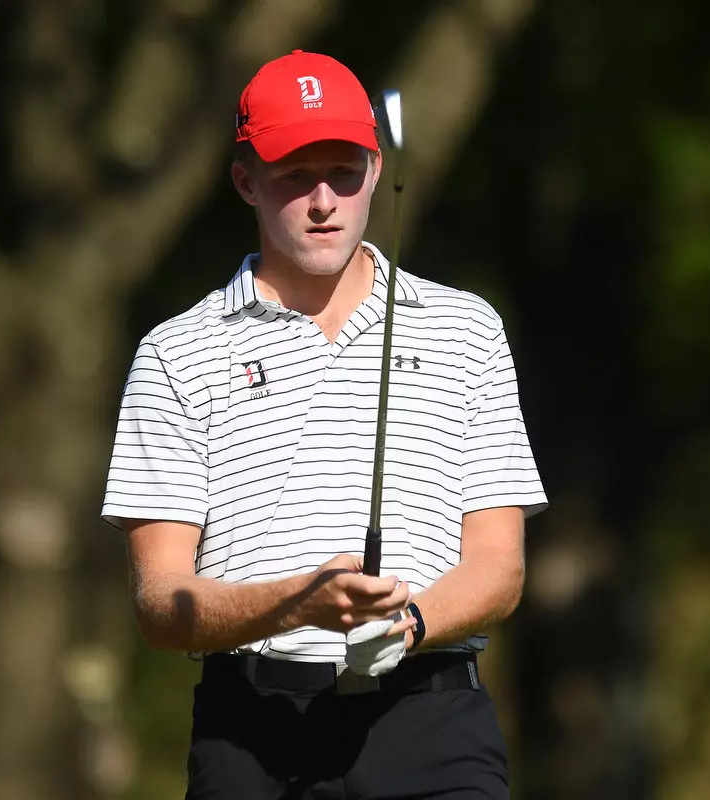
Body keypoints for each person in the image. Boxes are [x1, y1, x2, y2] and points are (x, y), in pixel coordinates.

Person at [101, 49, 548, 799]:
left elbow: (499, 569)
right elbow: (161, 604)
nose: (322, 201)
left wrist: (407, 621)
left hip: (430, 724)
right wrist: (296, 602)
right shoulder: (176, 353)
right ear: (245, 179)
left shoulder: (466, 330)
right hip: (252, 732)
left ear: (376, 170)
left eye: (343, 172)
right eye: (292, 175)